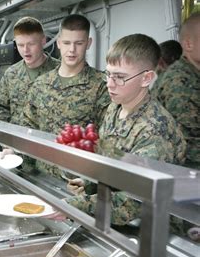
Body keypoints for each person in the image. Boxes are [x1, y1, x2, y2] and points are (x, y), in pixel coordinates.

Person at [62, 34, 186, 230]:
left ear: (146, 78)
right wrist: (88, 182)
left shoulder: (155, 131)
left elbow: (132, 203)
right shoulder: (116, 107)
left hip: (150, 232)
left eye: (120, 77)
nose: (109, 84)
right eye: (108, 74)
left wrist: (71, 205)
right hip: (115, 221)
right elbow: (111, 157)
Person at [21, 14, 110, 174]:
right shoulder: (41, 84)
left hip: (78, 181)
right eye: (67, 43)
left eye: (79, 43)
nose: (72, 50)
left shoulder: (101, 85)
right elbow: (28, 127)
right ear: (59, 43)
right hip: (41, 176)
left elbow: (106, 139)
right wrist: (15, 155)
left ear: (88, 43)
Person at [0, 16, 60, 157]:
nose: (25, 50)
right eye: (20, 45)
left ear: (43, 41)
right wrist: (3, 139)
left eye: (31, 44)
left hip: (48, 156)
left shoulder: (60, 72)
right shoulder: (11, 73)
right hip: (14, 153)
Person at [154, 12, 200, 169]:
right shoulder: (180, 81)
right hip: (183, 171)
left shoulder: (193, 74)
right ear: (188, 44)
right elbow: (189, 142)